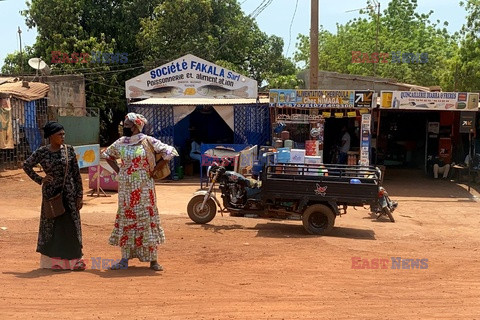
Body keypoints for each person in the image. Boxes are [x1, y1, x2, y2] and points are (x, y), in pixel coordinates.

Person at [102, 112, 177, 271]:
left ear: (136, 126)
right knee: (127, 219)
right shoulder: (121, 142)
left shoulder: (147, 141)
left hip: (144, 187)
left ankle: (153, 261)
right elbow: (107, 155)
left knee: (145, 218)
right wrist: (120, 171)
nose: (125, 127)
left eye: (128, 125)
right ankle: (124, 259)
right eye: (124, 125)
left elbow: (170, 152)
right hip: (126, 189)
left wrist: (156, 169)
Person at [23, 121, 85, 271]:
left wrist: (79, 195)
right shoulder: (42, 152)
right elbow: (26, 165)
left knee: (71, 225)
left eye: (63, 134)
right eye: (59, 134)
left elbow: (76, 174)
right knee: (54, 227)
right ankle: (55, 261)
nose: (63, 137)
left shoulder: (69, 150)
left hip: (69, 194)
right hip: (51, 195)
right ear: (51, 136)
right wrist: (40, 179)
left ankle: (76, 260)